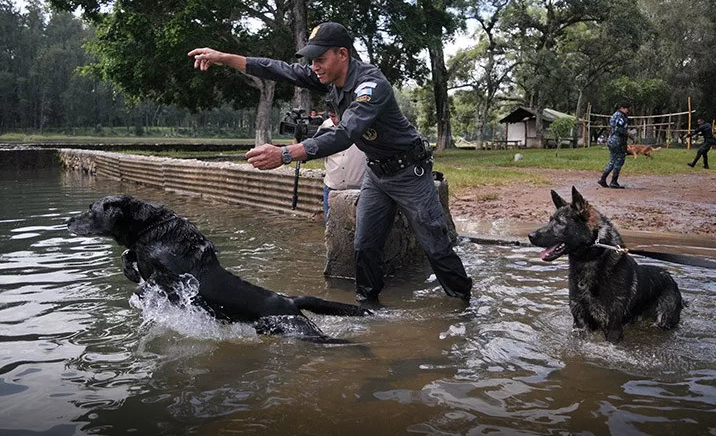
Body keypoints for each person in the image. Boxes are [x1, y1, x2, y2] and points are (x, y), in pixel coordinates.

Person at [188, 22, 473, 303]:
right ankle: (368, 309)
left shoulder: (371, 85)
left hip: (409, 172)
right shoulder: (328, 78)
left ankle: (463, 304)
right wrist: (225, 58)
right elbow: (279, 69)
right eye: (312, 61)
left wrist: (286, 153)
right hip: (377, 173)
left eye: (320, 59)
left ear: (342, 54)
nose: (315, 66)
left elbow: (346, 133)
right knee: (364, 246)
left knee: (435, 246)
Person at [319, 109, 366, 221]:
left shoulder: (363, 123)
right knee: (331, 227)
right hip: (332, 189)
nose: (334, 119)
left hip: (360, 190)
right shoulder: (325, 125)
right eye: (331, 116)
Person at [598, 101, 635, 189]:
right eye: (627, 108)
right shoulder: (620, 116)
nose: (628, 110)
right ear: (622, 107)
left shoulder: (615, 115)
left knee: (612, 161)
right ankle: (614, 181)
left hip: (613, 140)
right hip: (618, 141)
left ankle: (603, 179)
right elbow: (619, 129)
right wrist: (628, 133)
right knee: (619, 161)